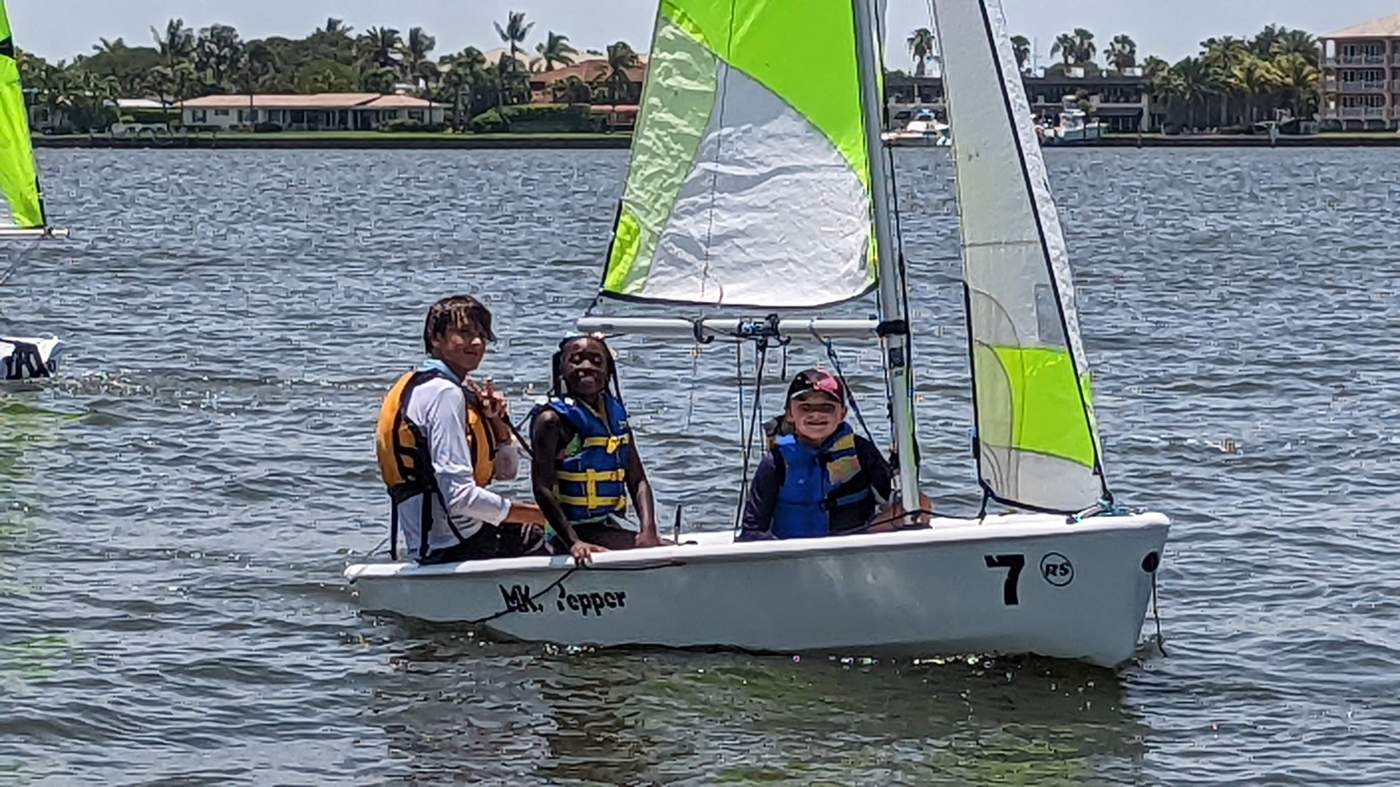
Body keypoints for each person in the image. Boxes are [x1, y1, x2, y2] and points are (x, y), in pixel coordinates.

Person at [375, 296, 549, 564]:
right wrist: (543, 515)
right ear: (435, 338)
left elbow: (506, 472)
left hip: (435, 544)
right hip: (460, 546)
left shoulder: (441, 387)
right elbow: (460, 498)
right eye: (464, 333)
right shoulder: (444, 393)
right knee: (572, 534)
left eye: (482, 335)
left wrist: (498, 424)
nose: (477, 343)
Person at [738, 368, 927, 541]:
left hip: (854, 547)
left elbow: (895, 499)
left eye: (826, 407)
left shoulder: (860, 450)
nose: (816, 415)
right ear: (789, 414)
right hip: (793, 554)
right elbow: (752, 528)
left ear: (842, 414)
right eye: (806, 408)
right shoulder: (775, 462)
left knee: (920, 505)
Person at [531, 334, 662, 565]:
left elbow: (638, 479)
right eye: (576, 360)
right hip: (568, 532)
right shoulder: (551, 420)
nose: (586, 367)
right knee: (665, 555)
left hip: (604, 523)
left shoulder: (615, 417)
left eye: (596, 361)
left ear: (608, 370)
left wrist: (648, 530)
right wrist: (574, 542)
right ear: (561, 369)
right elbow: (542, 488)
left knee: (662, 549)